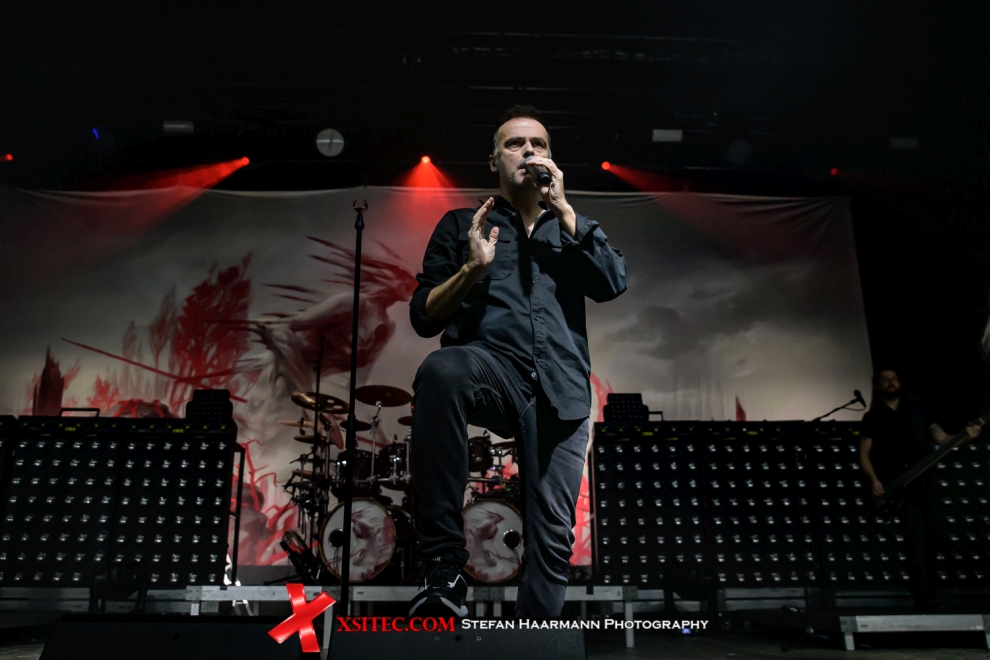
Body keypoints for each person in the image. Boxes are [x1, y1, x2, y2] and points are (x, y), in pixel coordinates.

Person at [406, 105, 628, 618]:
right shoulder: (464, 225)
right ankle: (443, 571)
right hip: (491, 370)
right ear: (494, 161)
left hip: (559, 388)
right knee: (441, 371)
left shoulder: (573, 228)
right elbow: (423, 317)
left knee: (551, 538)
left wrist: (565, 210)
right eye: (515, 144)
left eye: (539, 144)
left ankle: (534, 636)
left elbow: (613, 283)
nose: (529, 151)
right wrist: (471, 269)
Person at [858, 368, 982, 610]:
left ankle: (923, 584)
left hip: (925, 482)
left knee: (937, 536)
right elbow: (864, 453)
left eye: (894, 378)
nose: (890, 382)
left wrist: (968, 437)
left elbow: (944, 440)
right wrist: (873, 479)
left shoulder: (918, 411)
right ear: (876, 386)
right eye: (885, 379)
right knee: (915, 541)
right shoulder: (872, 417)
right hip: (901, 488)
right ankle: (925, 597)